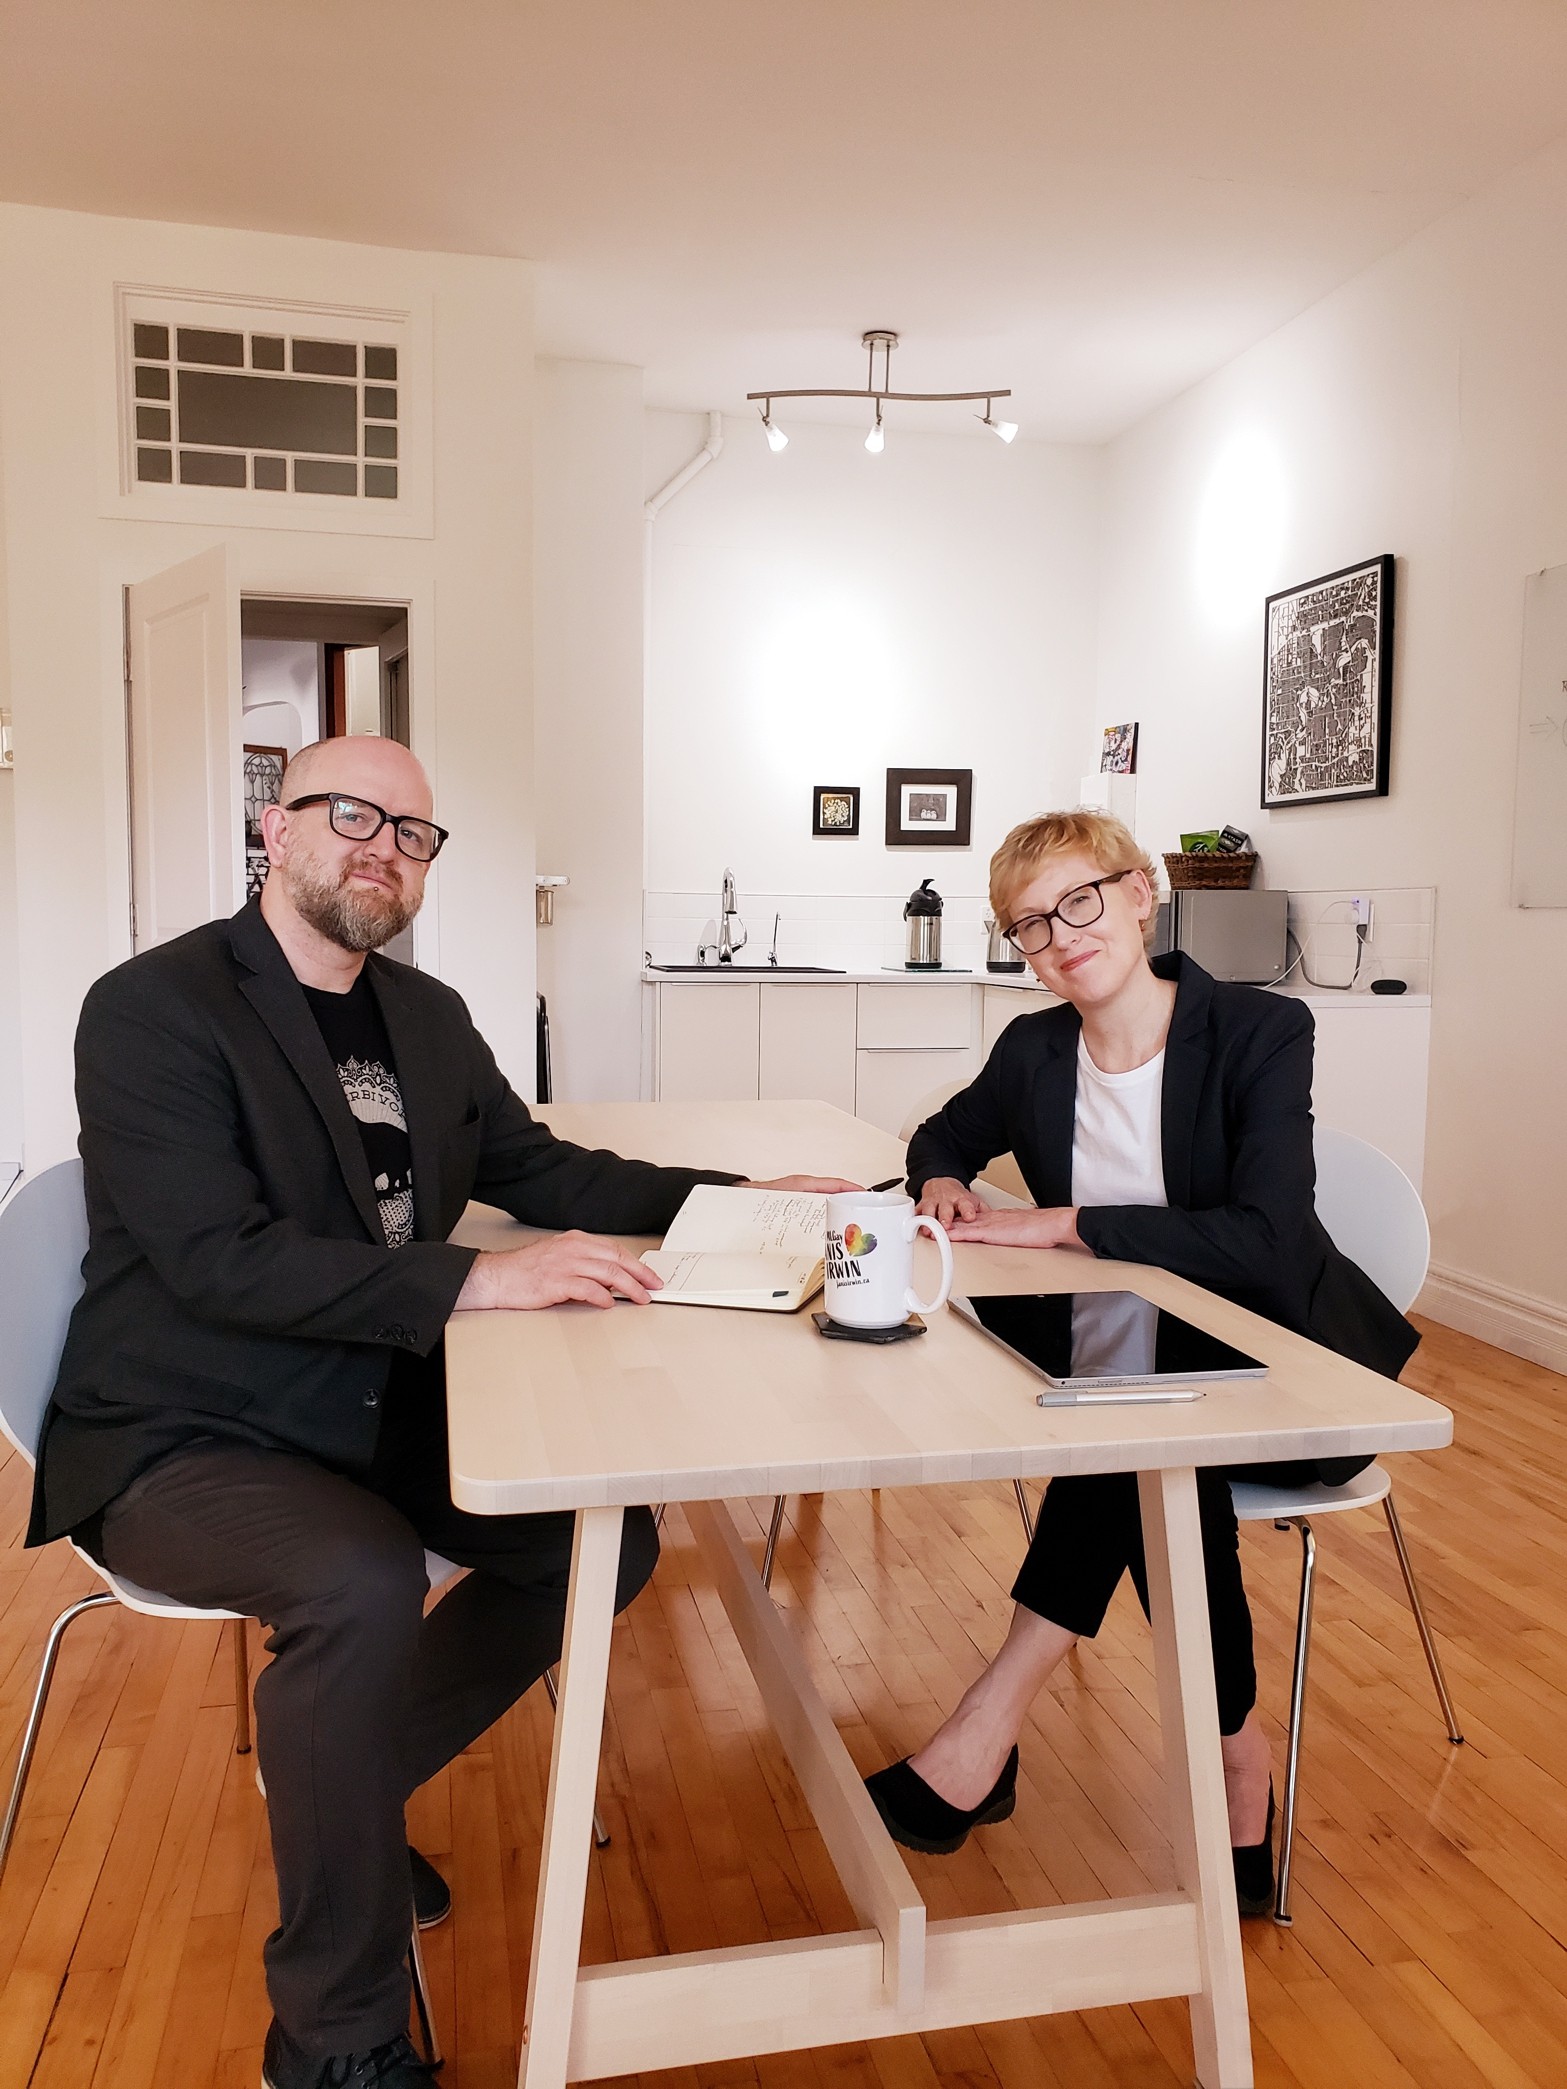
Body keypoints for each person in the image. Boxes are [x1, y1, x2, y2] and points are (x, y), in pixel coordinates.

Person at [27, 735, 855, 2089]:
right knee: (354, 1580)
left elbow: (541, 1165)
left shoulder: (426, 1015)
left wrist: (745, 1199)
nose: (383, 848)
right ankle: (333, 2044)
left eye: (413, 832)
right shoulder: (153, 1007)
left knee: (599, 1544)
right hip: (189, 1420)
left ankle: (338, 1781)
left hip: (361, 1393)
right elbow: (213, 1257)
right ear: (271, 827)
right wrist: (475, 1278)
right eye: (350, 814)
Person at [863, 811, 1417, 1914]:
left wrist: (1069, 1223)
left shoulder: (1259, 1030)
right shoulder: (1032, 1049)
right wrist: (940, 1186)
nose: (1059, 937)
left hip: (1293, 1368)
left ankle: (991, 1722)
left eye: (1078, 901)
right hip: (1130, 1361)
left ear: (1139, 895)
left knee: (1136, 1444)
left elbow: (1264, 1238)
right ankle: (1232, 1756)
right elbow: (939, 1136)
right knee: (1139, 1440)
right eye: (1027, 925)